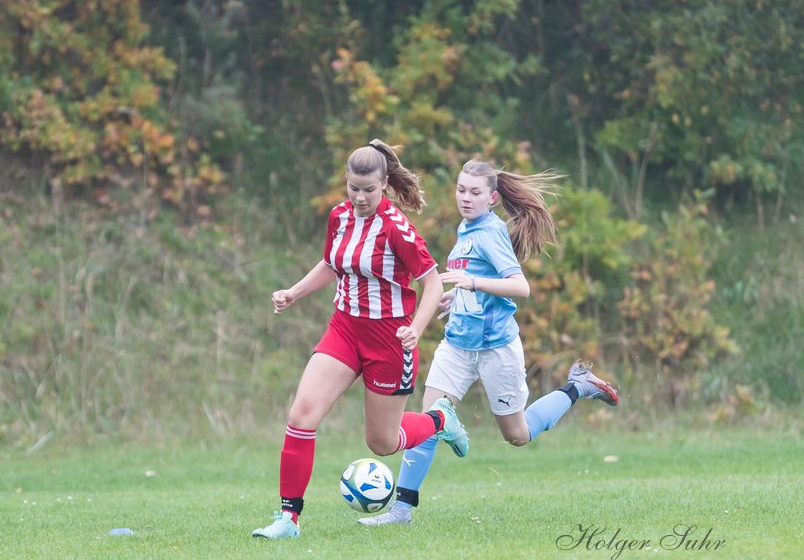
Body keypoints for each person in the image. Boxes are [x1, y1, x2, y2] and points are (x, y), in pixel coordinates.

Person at [358, 158, 620, 527]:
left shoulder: (491, 232)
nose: (465, 197)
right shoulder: (465, 228)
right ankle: (402, 510)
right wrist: (457, 300)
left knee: (517, 435)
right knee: (429, 419)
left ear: (492, 198)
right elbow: (473, 280)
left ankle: (578, 385)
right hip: (458, 345)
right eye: (461, 189)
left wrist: (471, 284)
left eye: (475, 192)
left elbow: (519, 286)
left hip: (497, 349)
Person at [252, 140, 469, 539]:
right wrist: (293, 292)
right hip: (345, 329)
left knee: (383, 443)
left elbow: (433, 285)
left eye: (369, 189)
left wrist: (416, 329)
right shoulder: (339, 216)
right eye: (353, 187)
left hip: (390, 340)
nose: (360, 196)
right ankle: (288, 520)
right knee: (302, 416)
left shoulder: (398, 229)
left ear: (384, 184)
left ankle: (440, 419)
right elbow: (332, 264)